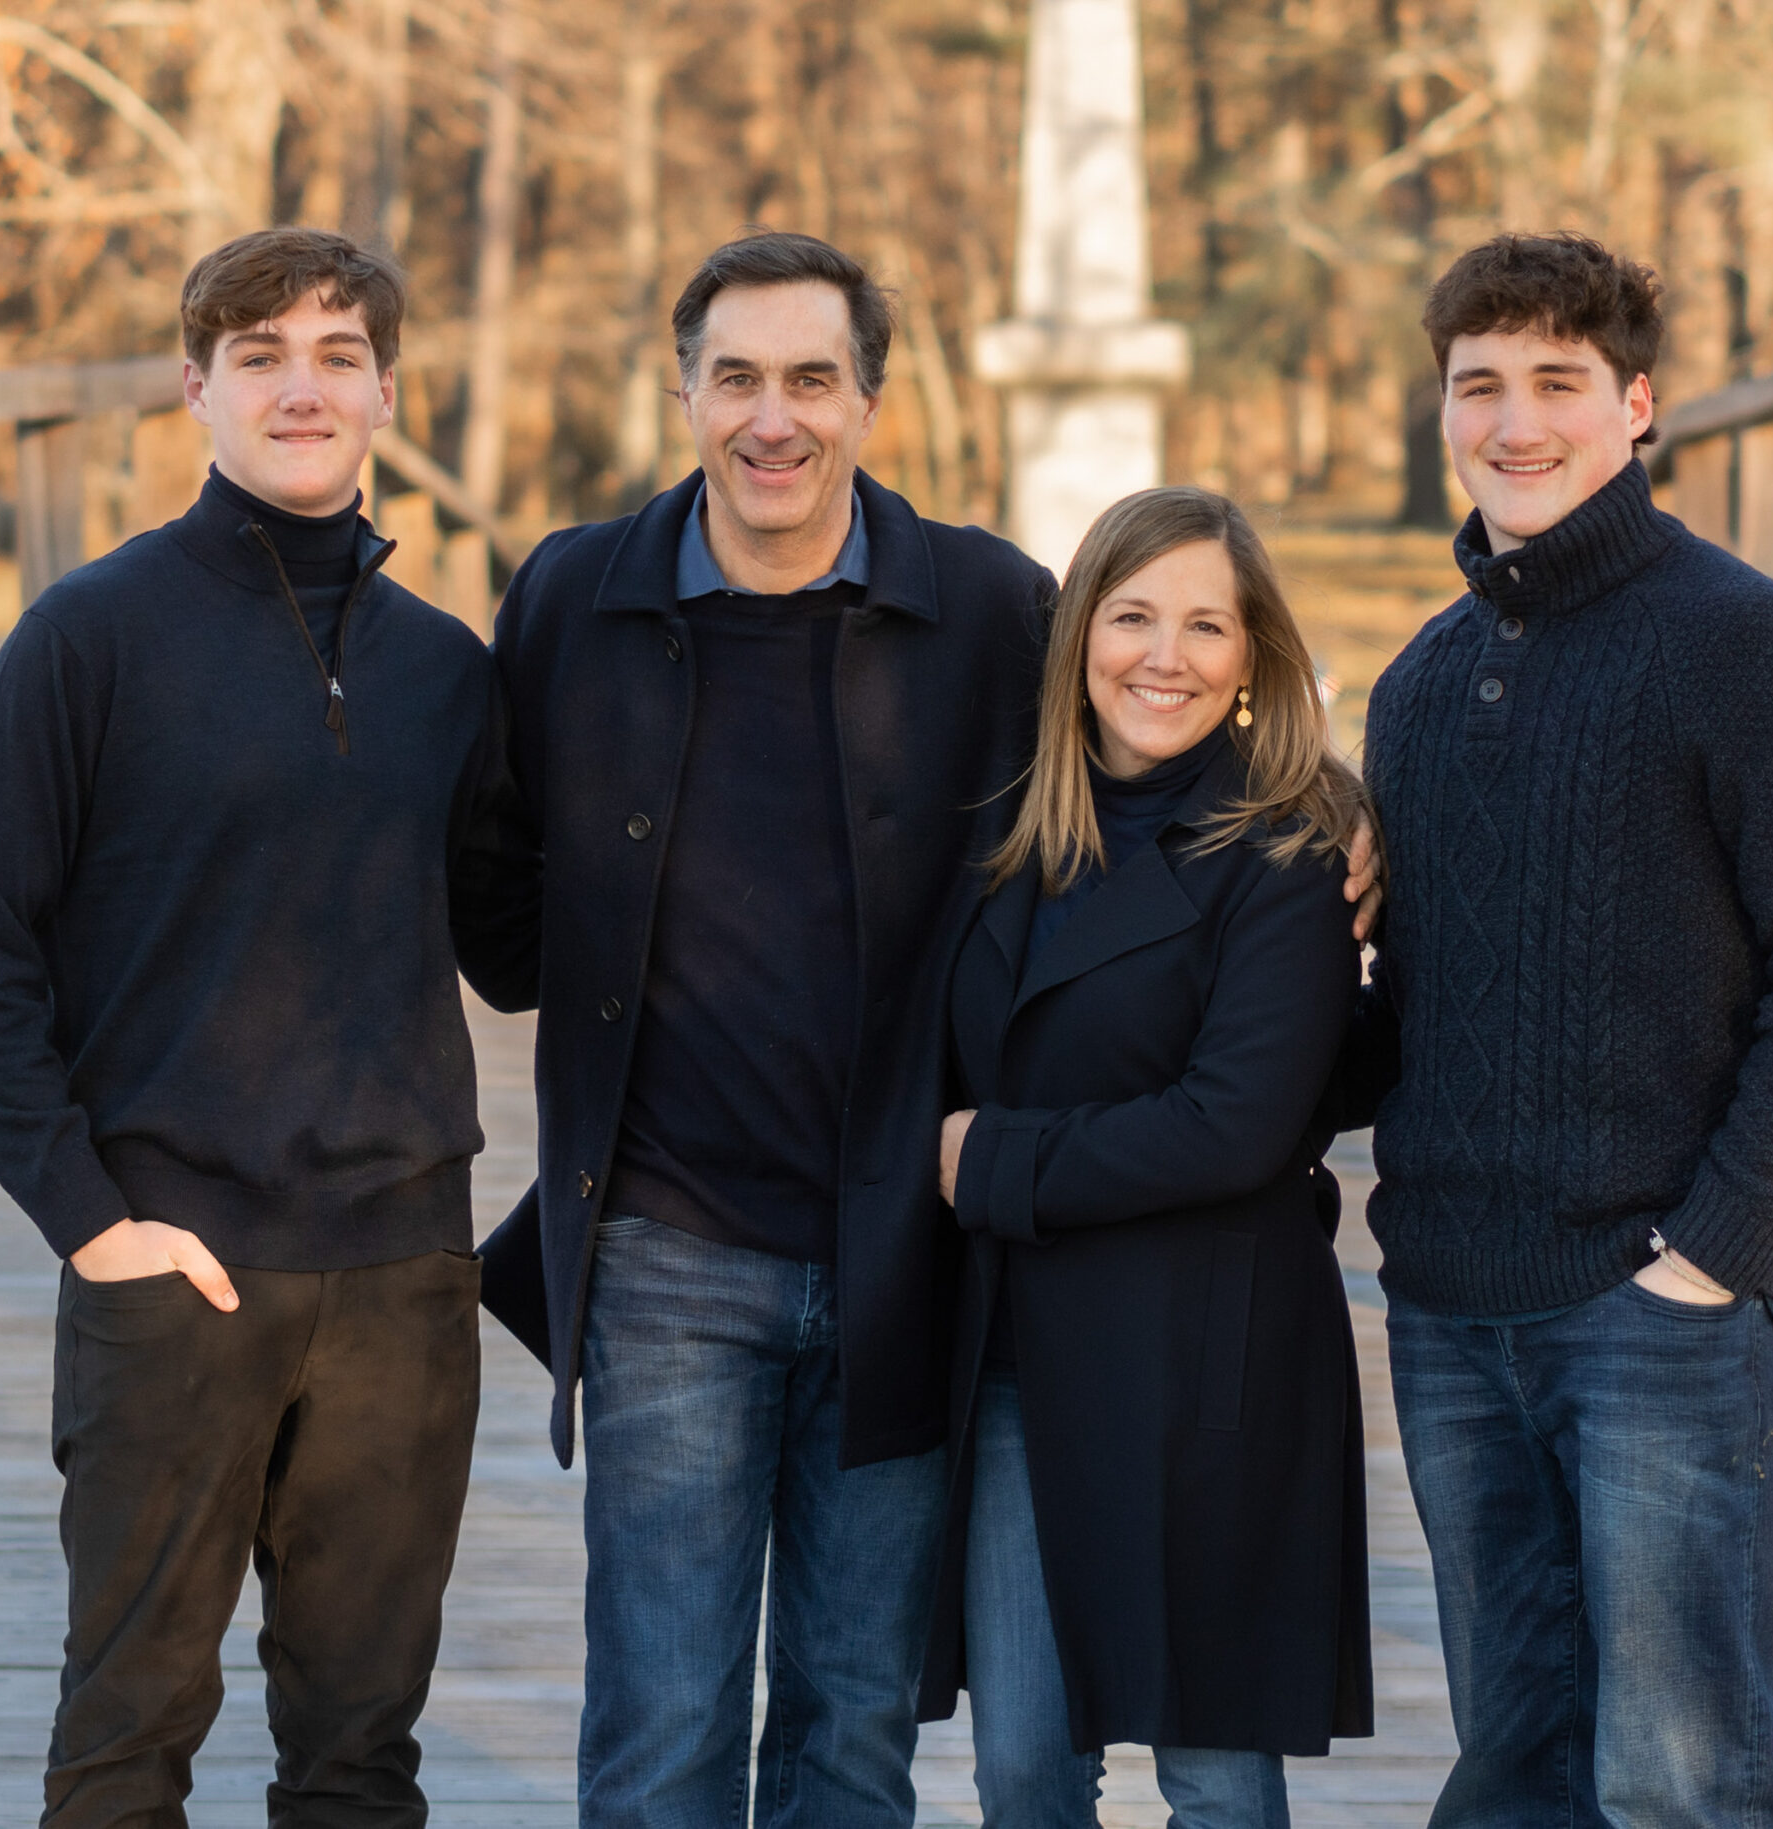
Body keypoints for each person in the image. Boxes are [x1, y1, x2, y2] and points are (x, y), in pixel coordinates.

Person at [0, 227, 537, 1828]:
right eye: (260, 355)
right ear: (196, 387)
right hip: (170, 1268)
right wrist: (90, 1221)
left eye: (337, 354)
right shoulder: (92, 636)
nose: (301, 386)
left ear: (389, 388)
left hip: (402, 1277)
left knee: (359, 1759)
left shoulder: (447, 669)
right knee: (126, 1740)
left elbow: (522, 951)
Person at [1339, 231, 1773, 1826]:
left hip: (1657, 1308)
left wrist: (1716, 1252)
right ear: (1442, 410)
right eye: (1480, 386)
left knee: (1678, 1782)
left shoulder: (1740, 642)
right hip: (1452, 1312)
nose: (1515, 422)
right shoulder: (1419, 682)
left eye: (1557, 383)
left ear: (1638, 405)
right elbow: (1403, 1010)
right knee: (1513, 1767)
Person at [471, 230, 1053, 1828]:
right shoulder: (574, 595)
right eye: (736, 378)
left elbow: (1140, 788)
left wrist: (1331, 822)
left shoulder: (995, 608)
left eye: (812, 378)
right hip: (667, 1246)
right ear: (684, 393)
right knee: (662, 1728)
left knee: (854, 1731)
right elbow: (488, 876)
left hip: (903, 1252)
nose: (772, 418)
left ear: (871, 400)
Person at [921, 487, 1376, 1828]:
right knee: (1025, 1763)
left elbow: (1234, 1121)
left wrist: (987, 1164)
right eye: (1130, 616)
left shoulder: (1291, 844)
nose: (1162, 656)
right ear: (1077, 636)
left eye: (1205, 624)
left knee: (1215, 1773)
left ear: (1253, 655)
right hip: (1019, 1345)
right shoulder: (1007, 828)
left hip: (1206, 1350)